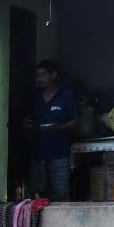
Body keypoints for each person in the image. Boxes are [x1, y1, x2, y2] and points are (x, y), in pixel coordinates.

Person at [27, 60, 78, 201]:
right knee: (38, 193)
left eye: (43, 75)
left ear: (53, 75)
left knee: (61, 193)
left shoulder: (66, 96)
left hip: (59, 153)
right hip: (38, 154)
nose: (39, 79)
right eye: (37, 76)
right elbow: (26, 119)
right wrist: (26, 124)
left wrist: (58, 127)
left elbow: (75, 121)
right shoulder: (34, 97)